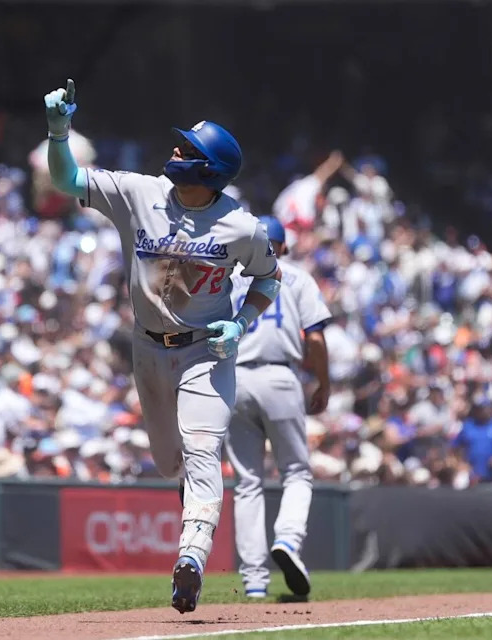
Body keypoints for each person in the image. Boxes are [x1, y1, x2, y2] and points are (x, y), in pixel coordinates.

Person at [44, 79, 282, 614]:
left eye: (187, 150)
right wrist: (59, 132)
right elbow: (66, 180)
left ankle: (191, 558)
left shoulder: (242, 227)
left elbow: (269, 279)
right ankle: (188, 515)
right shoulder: (138, 192)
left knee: (203, 452)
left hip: (205, 352)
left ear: (209, 170)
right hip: (148, 351)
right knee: (166, 460)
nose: (174, 152)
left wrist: (241, 323)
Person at [224, 215, 331, 599]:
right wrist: (324, 382)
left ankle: (254, 579)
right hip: (280, 377)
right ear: (282, 246)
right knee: (297, 472)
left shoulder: (228, 277)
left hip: (233, 380)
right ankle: (287, 539)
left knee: (247, 482)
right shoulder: (296, 276)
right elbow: (315, 340)